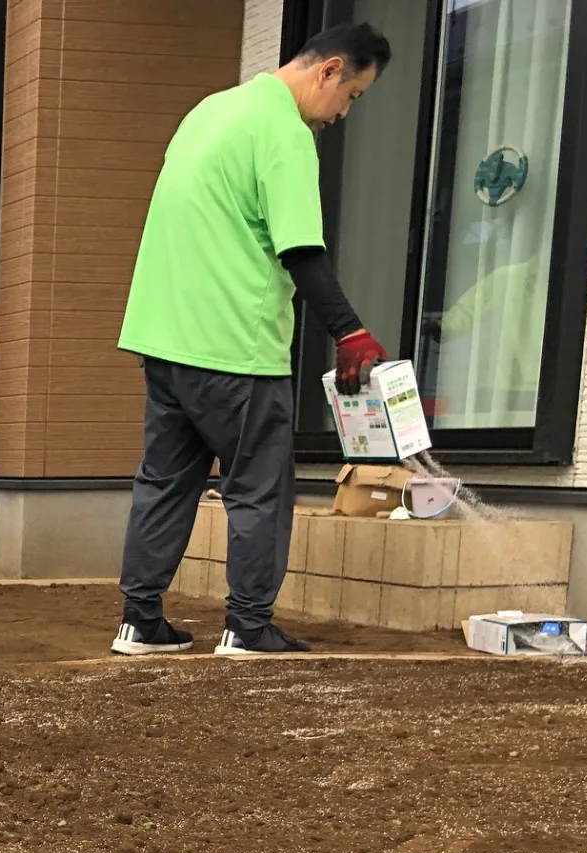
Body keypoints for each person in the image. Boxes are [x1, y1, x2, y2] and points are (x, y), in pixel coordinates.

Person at [113, 23, 391, 657]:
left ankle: (140, 619)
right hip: (236, 344)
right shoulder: (285, 135)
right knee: (259, 486)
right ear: (329, 71)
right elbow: (301, 249)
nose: (343, 113)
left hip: (164, 336)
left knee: (164, 479)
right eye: (352, 96)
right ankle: (248, 624)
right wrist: (349, 331)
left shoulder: (213, 110)